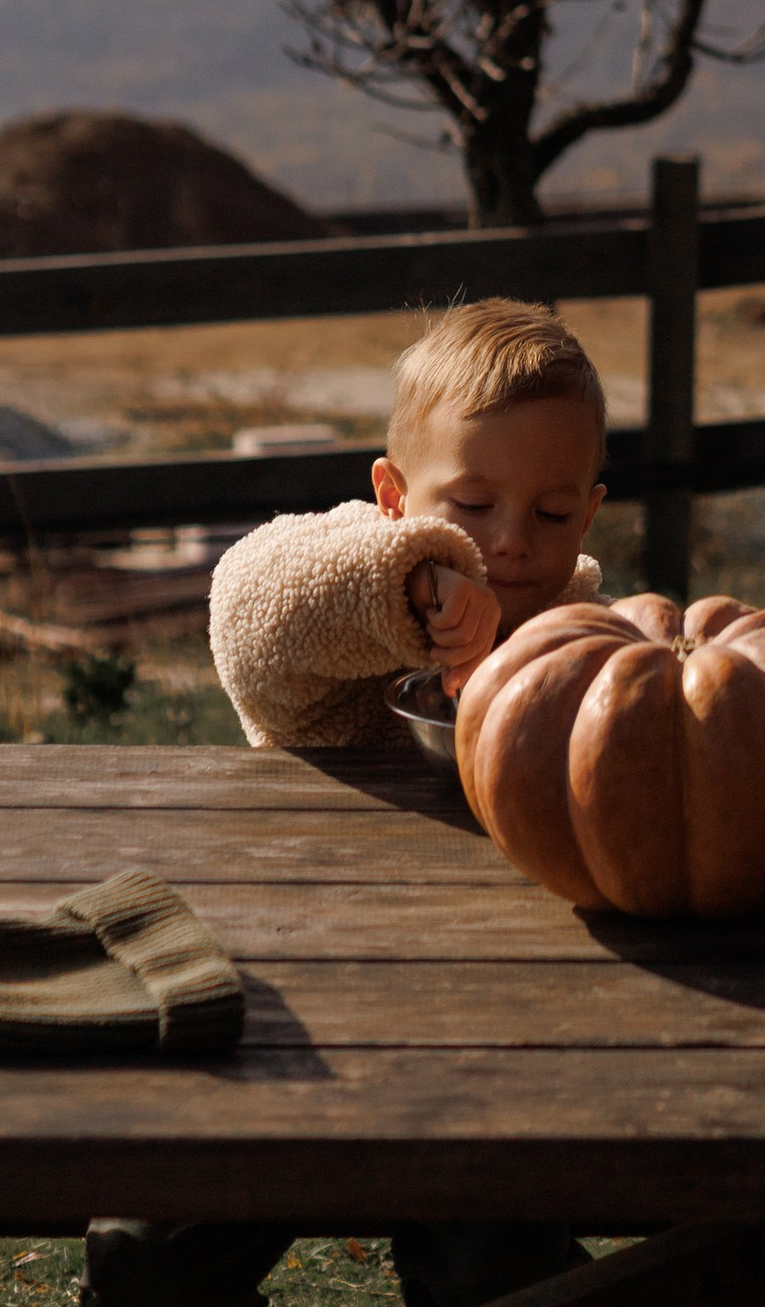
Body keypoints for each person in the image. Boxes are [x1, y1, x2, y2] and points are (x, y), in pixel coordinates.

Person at [80, 302, 610, 1307]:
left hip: (496, 1033)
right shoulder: (344, 594)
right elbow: (249, 605)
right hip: (289, 1008)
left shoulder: (588, 643)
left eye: (548, 515)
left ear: (587, 515)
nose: (507, 544)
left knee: (492, 1264)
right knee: (149, 1251)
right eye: (470, 505)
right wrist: (416, 583)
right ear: (393, 494)